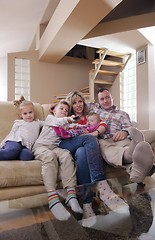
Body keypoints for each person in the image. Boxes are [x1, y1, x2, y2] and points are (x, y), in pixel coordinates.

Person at [59, 91, 129, 227]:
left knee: (81, 153)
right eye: (74, 102)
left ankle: (87, 204)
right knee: (86, 144)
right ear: (70, 105)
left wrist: (94, 132)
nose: (78, 105)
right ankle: (103, 189)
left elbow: (102, 123)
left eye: (80, 101)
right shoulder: (67, 117)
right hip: (70, 144)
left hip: (84, 149)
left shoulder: (90, 115)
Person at [88, 87, 154, 184]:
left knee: (127, 145)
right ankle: (135, 157)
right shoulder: (95, 110)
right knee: (109, 151)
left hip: (121, 139)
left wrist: (125, 132)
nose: (105, 101)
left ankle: (135, 151)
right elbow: (76, 103)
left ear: (112, 98)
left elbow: (128, 127)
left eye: (108, 97)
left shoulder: (122, 114)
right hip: (104, 140)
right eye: (102, 99)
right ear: (98, 101)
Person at [32, 100, 83, 221]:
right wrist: (69, 119)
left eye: (66, 110)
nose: (64, 112)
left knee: (66, 154)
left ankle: (71, 195)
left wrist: (86, 126)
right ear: (54, 110)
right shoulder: (50, 118)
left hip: (55, 148)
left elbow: (76, 128)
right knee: (49, 156)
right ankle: (53, 199)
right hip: (41, 146)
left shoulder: (65, 124)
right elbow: (59, 121)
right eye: (61, 109)